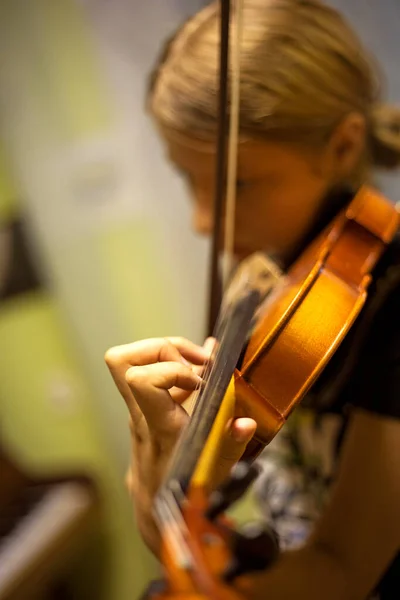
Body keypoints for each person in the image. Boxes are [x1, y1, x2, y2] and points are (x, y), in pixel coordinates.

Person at [105, 1, 400, 598]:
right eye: (189, 177)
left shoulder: (391, 302)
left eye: (236, 184)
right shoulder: (267, 276)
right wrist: (155, 475)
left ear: (343, 147)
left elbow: (343, 574)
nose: (201, 220)